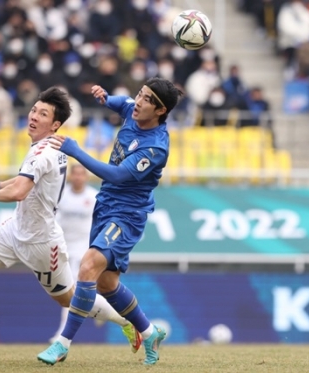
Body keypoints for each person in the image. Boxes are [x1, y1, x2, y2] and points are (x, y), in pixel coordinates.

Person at [0, 87, 141, 356]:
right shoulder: (50, 146)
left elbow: (19, 191)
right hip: (14, 229)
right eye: (33, 110)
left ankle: (126, 320)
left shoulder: (42, 152)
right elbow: (23, 180)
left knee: (68, 298)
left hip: (41, 242)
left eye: (43, 114)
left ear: (54, 124)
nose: (33, 116)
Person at [37, 78, 183, 366]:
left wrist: (77, 151)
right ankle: (149, 331)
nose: (138, 101)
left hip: (127, 214)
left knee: (88, 265)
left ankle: (62, 343)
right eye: (139, 93)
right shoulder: (134, 110)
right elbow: (122, 103)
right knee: (106, 283)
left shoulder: (155, 149)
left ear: (161, 110)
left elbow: (116, 176)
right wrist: (106, 98)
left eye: (146, 99)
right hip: (106, 207)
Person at [49, 163, 101, 343]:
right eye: (75, 174)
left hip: (84, 247)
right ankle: (102, 310)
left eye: (81, 174)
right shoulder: (61, 195)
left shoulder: (93, 196)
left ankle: (62, 335)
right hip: (63, 246)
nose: (78, 177)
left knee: (71, 289)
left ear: (86, 177)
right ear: (70, 176)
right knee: (75, 290)